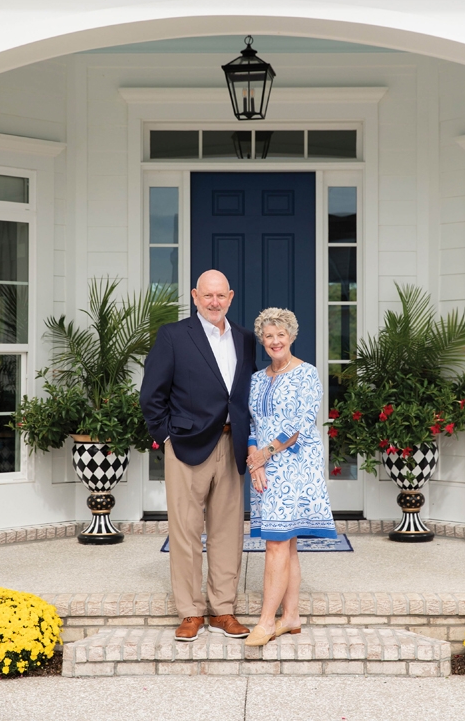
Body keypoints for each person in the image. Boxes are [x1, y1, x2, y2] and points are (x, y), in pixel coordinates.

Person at [140, 270, 256, 642]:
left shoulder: (245, 339)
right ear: (194, 296)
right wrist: (167, 437)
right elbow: (151, 395)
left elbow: (243, 394)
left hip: (230, 443)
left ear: (231, 296)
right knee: (186, 532)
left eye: (221, 295)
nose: (214, 302)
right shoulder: (174, 336)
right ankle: (190, 611)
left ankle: (223, 609)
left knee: (227, 531)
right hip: (187, 446)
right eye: (207, 295)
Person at [244, 307, 336, 647]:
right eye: (268, 336)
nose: (274, 341)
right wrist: (256, 460)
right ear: (262, 340)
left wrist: (263, 457)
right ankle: (291, 616)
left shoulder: (307, 374)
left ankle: (267, 622)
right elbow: (252, 423)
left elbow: (299, 425)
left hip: (294, 465)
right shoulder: (256, 378)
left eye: (281, 334)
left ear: (292, 337)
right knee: (287, 544)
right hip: (265, 465)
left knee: (276, 543)